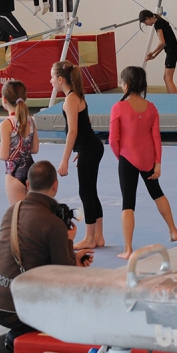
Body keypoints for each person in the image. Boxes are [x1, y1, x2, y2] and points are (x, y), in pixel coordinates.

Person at [0, 160, 93, 351]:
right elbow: (65, 279)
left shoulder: (11, 211)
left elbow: (32, 253)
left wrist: (72, 258)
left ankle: (19, 330)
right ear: (55, 187)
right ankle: (17, 335)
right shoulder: (54, 224)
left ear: (27, 185)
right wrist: (68, 241)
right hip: (13, 310)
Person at [109, 66, 177, 259]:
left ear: (126, 85)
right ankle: (173, 230)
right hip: (148, 157)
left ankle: (128, 249)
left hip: (127, 158)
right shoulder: (151, 108)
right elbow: (156, 137)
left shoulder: (118, 107)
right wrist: (157, 162)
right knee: (157, 193)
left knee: (128, 203)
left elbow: (113, 140)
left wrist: (121, 158)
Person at [51, 60, 105, 249]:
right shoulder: (77, 96)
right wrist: (80, 150)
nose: (50, 81)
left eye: (52, 78)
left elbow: (72, 131)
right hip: (91, 147)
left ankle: (90, 238)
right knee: (91, 191)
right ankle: (98, 236)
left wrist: (64, 159)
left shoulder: (71, 99)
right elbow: (85, 125)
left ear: (60, 79)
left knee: (85, 192)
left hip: (90, 148)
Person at [0, 80, 40, 204]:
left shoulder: (6, 124)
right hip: (31, 171)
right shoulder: (30, 121)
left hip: (14, 173)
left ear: (4, 99)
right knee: (30, 214)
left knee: (17, 216)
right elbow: (34, 149)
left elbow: (4, 155)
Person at [139, 9, 177, 93]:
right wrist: (154, 55)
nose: (146, 24)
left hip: (172, 52)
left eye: (144, 22)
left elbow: (162, 42)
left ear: (147, 18)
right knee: (165, 78)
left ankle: (176, 100)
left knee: (168, 79)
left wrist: (152, 52)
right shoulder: (160, 22)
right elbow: (165, 43)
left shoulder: (158, 23)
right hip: (171, 52)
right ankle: (170, 98)